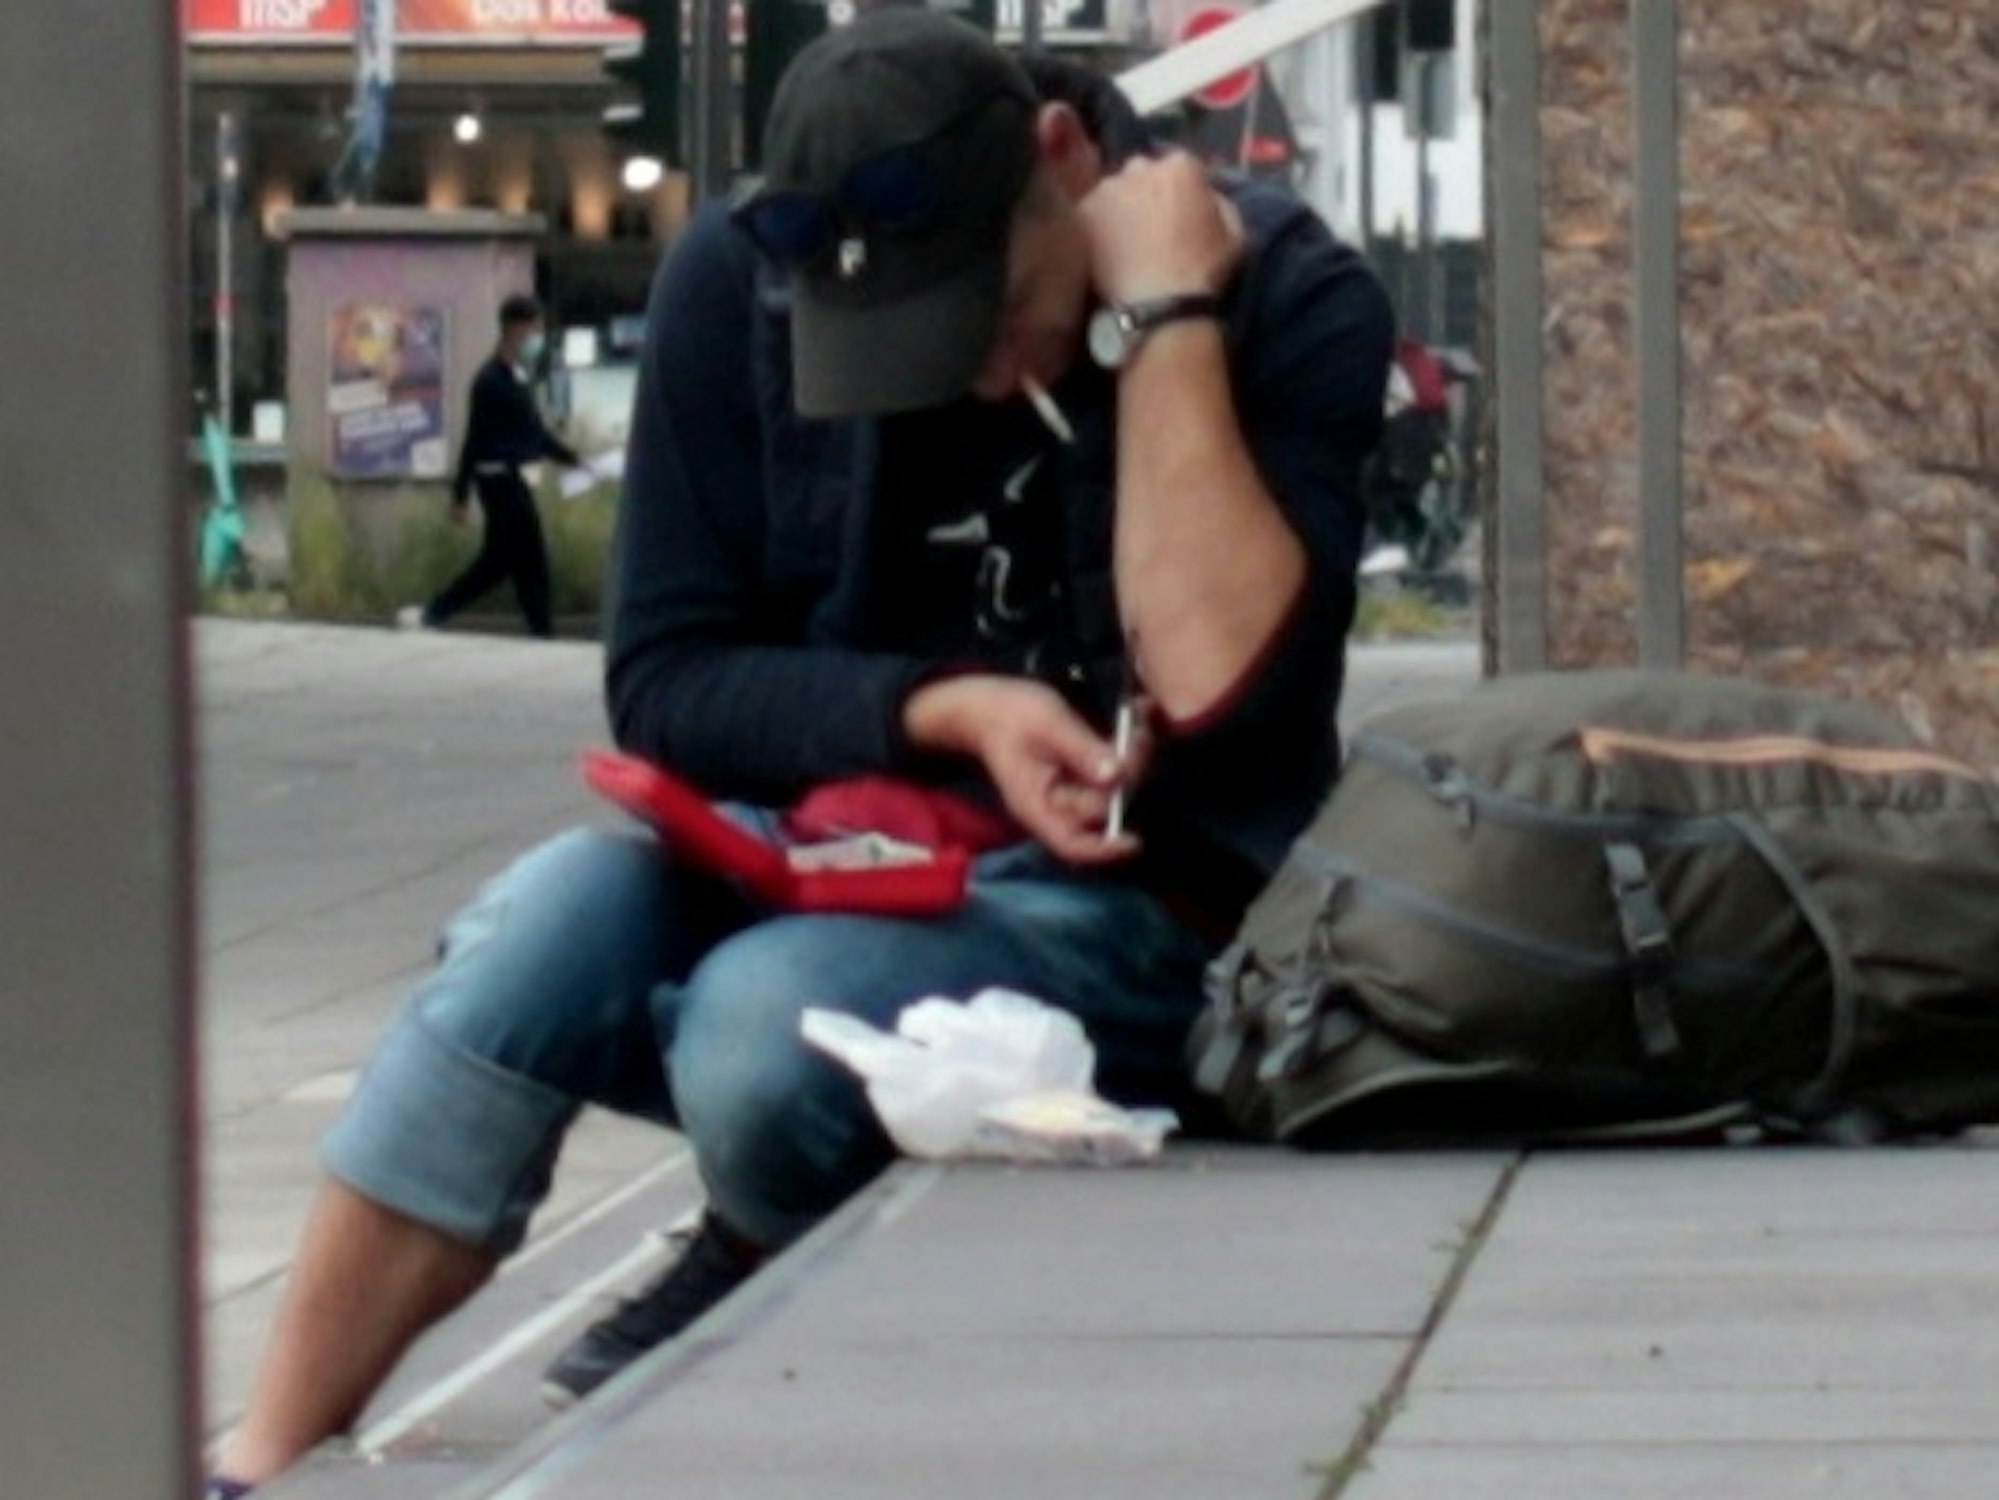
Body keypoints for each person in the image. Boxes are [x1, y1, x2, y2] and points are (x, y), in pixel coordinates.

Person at [210, 13, 1391, 1494]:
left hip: (1149, 915)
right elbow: (665, 679)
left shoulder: (1286, 293)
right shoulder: (740, 284)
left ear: (1062, 159)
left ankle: (749, 1258)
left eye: (986, 318)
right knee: (542, 926)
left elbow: (1221, 696)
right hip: (832, 859)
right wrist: (941, 711)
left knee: (763, 1023)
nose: (967, 378)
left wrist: (1162, 320)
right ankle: (259, 1456)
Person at [399, 293, 580, 639]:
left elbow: (535, 433)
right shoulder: (490, 381)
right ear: (516, 329)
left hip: (516, 481)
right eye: (535, 329)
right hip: (498, 482)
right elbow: (474, 439)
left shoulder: (518, 377)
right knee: (522, 560)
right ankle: (440, 613)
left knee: (508, 560)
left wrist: (573, 459)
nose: (538, 338)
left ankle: (533, 630)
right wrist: (461, 495)